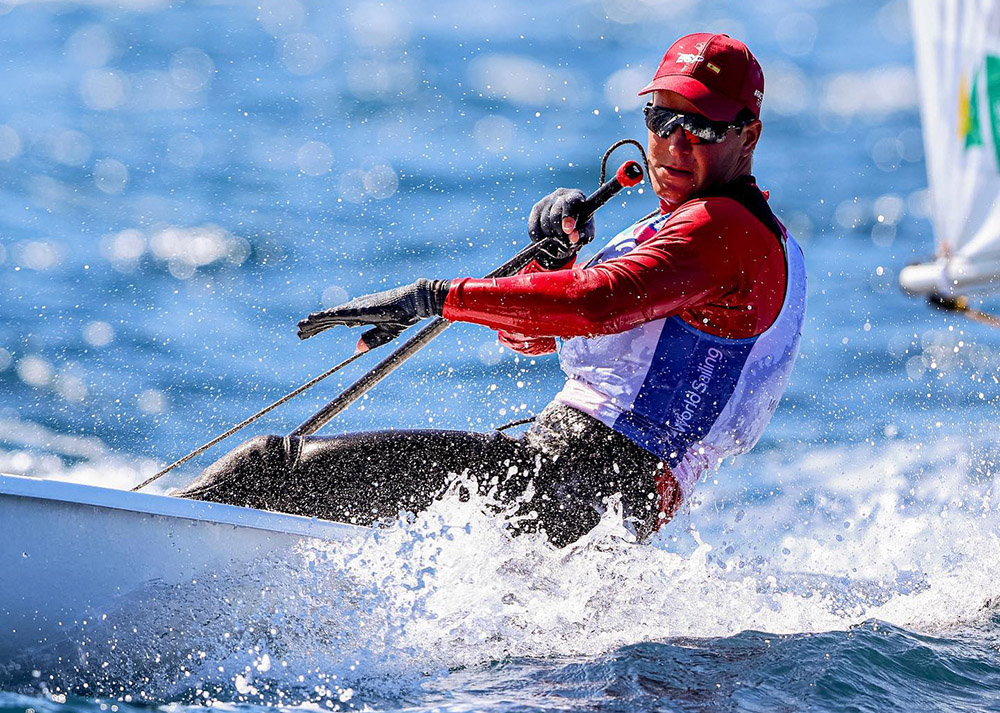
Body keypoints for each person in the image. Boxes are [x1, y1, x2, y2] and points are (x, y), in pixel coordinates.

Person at [175, 33, 806, 547]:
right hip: (596, 496)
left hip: (575, 479)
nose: (674, 142)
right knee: (312, 496)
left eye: (703, 127)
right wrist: (558, 260)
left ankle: (139, 536)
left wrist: (433, 296)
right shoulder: (733, 232)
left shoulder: (722, 229)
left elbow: (596, 304)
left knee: (268, 470)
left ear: (749, 134)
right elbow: (535, 336)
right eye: (661, 117)